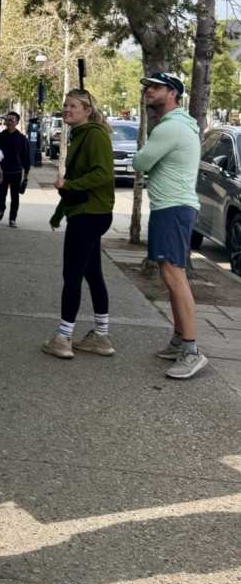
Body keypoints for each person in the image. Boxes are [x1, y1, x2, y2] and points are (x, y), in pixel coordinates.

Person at [132, 72, 207, 380]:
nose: (149, 91)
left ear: (173, 94)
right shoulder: (181, 125)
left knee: (175, 276)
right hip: (173, 207)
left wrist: (145, 160)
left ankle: (192, 350)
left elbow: (140, 163)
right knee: (168, 272)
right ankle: (179, 339)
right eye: (147, 87)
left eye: (156, 87)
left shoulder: (171, 128)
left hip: (173, 208)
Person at [43, 89, 115, 358]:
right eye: (65, 105)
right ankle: (101, 336)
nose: (67, 110)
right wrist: (59, 213)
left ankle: (63, 338)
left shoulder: (94, 135)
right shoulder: (80, 135)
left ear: (87, 110)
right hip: (87, 212)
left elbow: (103, 174)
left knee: (71, 276)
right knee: (92, 273)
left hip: (89, 214)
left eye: (73, 106)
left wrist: (69, 185)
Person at [0, 111, 30, 227]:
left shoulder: (22, 139)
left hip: (16, 172)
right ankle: (1, 208)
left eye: (11, 120)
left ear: (17, 123)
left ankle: (12, 219)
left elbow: (26, 158)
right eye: (7, 120)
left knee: (15, 197)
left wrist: (26, 177)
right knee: (1, 194)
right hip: (2, 171)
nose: (8, 122)